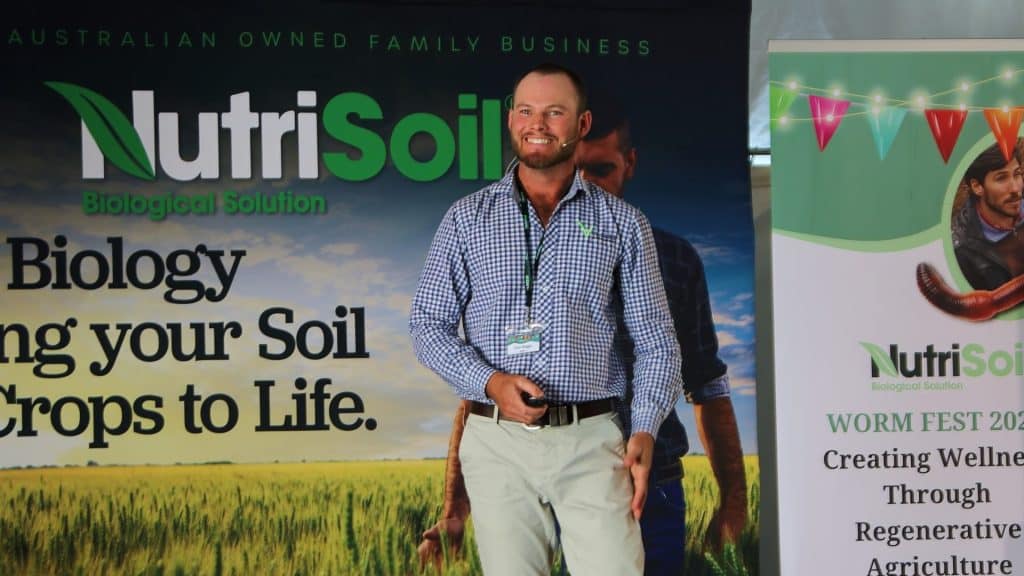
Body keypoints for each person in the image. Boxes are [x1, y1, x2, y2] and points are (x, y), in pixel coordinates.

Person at [416, 95, 748, 575]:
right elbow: (481, 389)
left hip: (644, 478)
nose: (585, 183)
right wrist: (454, 511)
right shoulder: (502, 240)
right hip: (522, 461)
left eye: (602, 169)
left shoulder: (673, 257)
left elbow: (707, 382)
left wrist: (734, 502)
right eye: (578, 168)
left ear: (629, 164)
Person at [952, 140, 1024, 290]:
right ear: (977, 186)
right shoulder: (962, 252)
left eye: (1017, 174)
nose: (1016, 188)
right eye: (1001, 178)